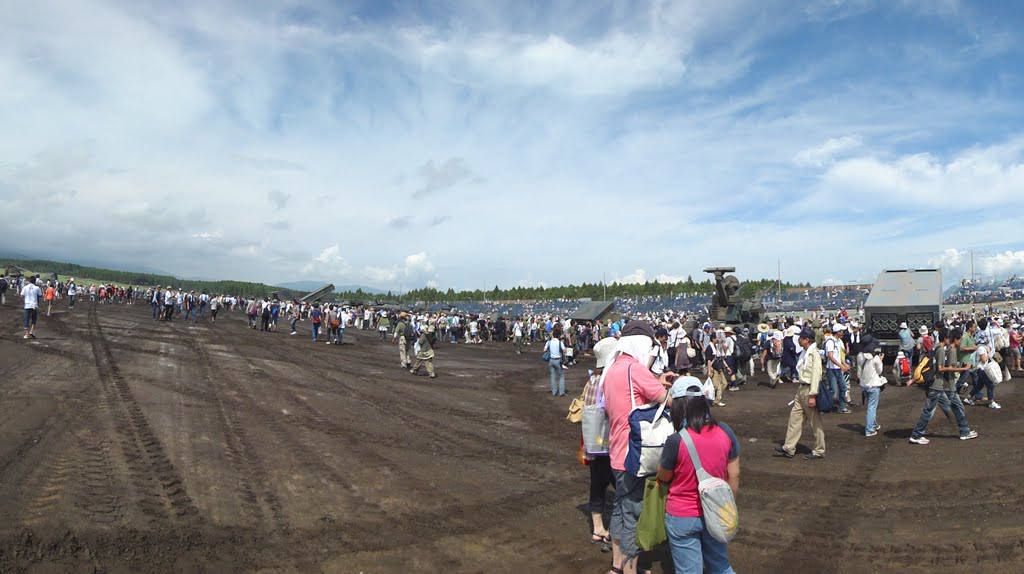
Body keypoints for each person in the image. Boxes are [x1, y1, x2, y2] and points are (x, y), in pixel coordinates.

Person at [602, 321, 676, 574]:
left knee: (621, 508)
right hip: (635, 455)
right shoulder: (636, 369)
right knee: (634, 512)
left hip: (616, 453)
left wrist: (654, 380)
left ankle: (617, 564)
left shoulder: (612, 369)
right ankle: (631, 568)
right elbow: (667, 401)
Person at [658, 376, 740, 574]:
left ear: (677, 406)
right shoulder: (725, 431)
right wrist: (727, 505)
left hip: (682, 514)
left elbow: (664, 477)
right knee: (720, 565)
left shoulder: (675, 441)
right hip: (716, 509)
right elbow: (734, 475)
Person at [909, 328, 978, 445]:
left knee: (955, 407)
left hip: (938, 385)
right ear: (946, 338)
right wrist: (962, 368)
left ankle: (964, 431)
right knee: (930, 410)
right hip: (937, 385)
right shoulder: (942, 349)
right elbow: (941, 368)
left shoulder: (936, 347)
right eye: (959, 338)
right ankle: (916, 434)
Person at [581, 337, 617, 552]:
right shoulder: (612, 378)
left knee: (597, 485)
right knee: (623, 489)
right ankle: (616, 534)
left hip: (594, 443)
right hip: (612, 442)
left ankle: (597, 530)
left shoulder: (592, 380)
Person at [774, 328, 825, 460]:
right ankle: (789, 447)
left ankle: (819, 450)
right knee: (794, 419)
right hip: (802, 389)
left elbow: (816, 375)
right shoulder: (805, 352)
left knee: (815, 422)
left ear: (806, 339)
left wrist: (813, 394)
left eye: (801, 338)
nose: (798, 340)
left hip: (809, 389)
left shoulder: (814, 354)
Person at [857, 339, 885, 437]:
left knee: (870, 406)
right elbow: (880, 371)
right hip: (873, 385)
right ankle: (869, 429)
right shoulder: (876, 358)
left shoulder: (860, 356)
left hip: (864, 385)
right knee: (872, 408)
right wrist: (880, 360)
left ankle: (873, 424)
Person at [823, 324, 852, 414]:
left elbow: (840, 356)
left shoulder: (838, 341)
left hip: (837, 369)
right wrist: (841, 365)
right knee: (833, 390)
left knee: (843, 388)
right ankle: (823, 405)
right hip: (832, 369)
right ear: (838, 332)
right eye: (841, 331)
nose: (843, 333)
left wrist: (844, 364)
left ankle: (842, 407)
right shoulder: (830, 342)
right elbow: (831, 356)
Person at [546, 326, 566, 396]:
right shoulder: (560, 342)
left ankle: (554, 392)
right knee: (561, 376)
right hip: (558, 360)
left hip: (551, 360)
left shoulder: (549, 342)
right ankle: (561, 392)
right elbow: (564, 351)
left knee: (553, 376)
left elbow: (544, 350)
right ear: (559, 335)